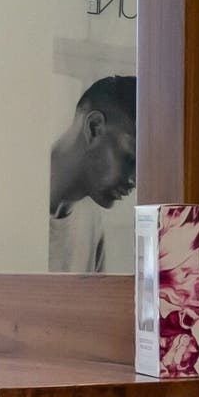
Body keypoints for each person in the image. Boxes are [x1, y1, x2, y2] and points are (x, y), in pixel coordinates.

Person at [44, 74, 136, 274]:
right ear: (94, 127)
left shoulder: (92, 224)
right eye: (130, 159)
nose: (134, 181)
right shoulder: (10, 198)